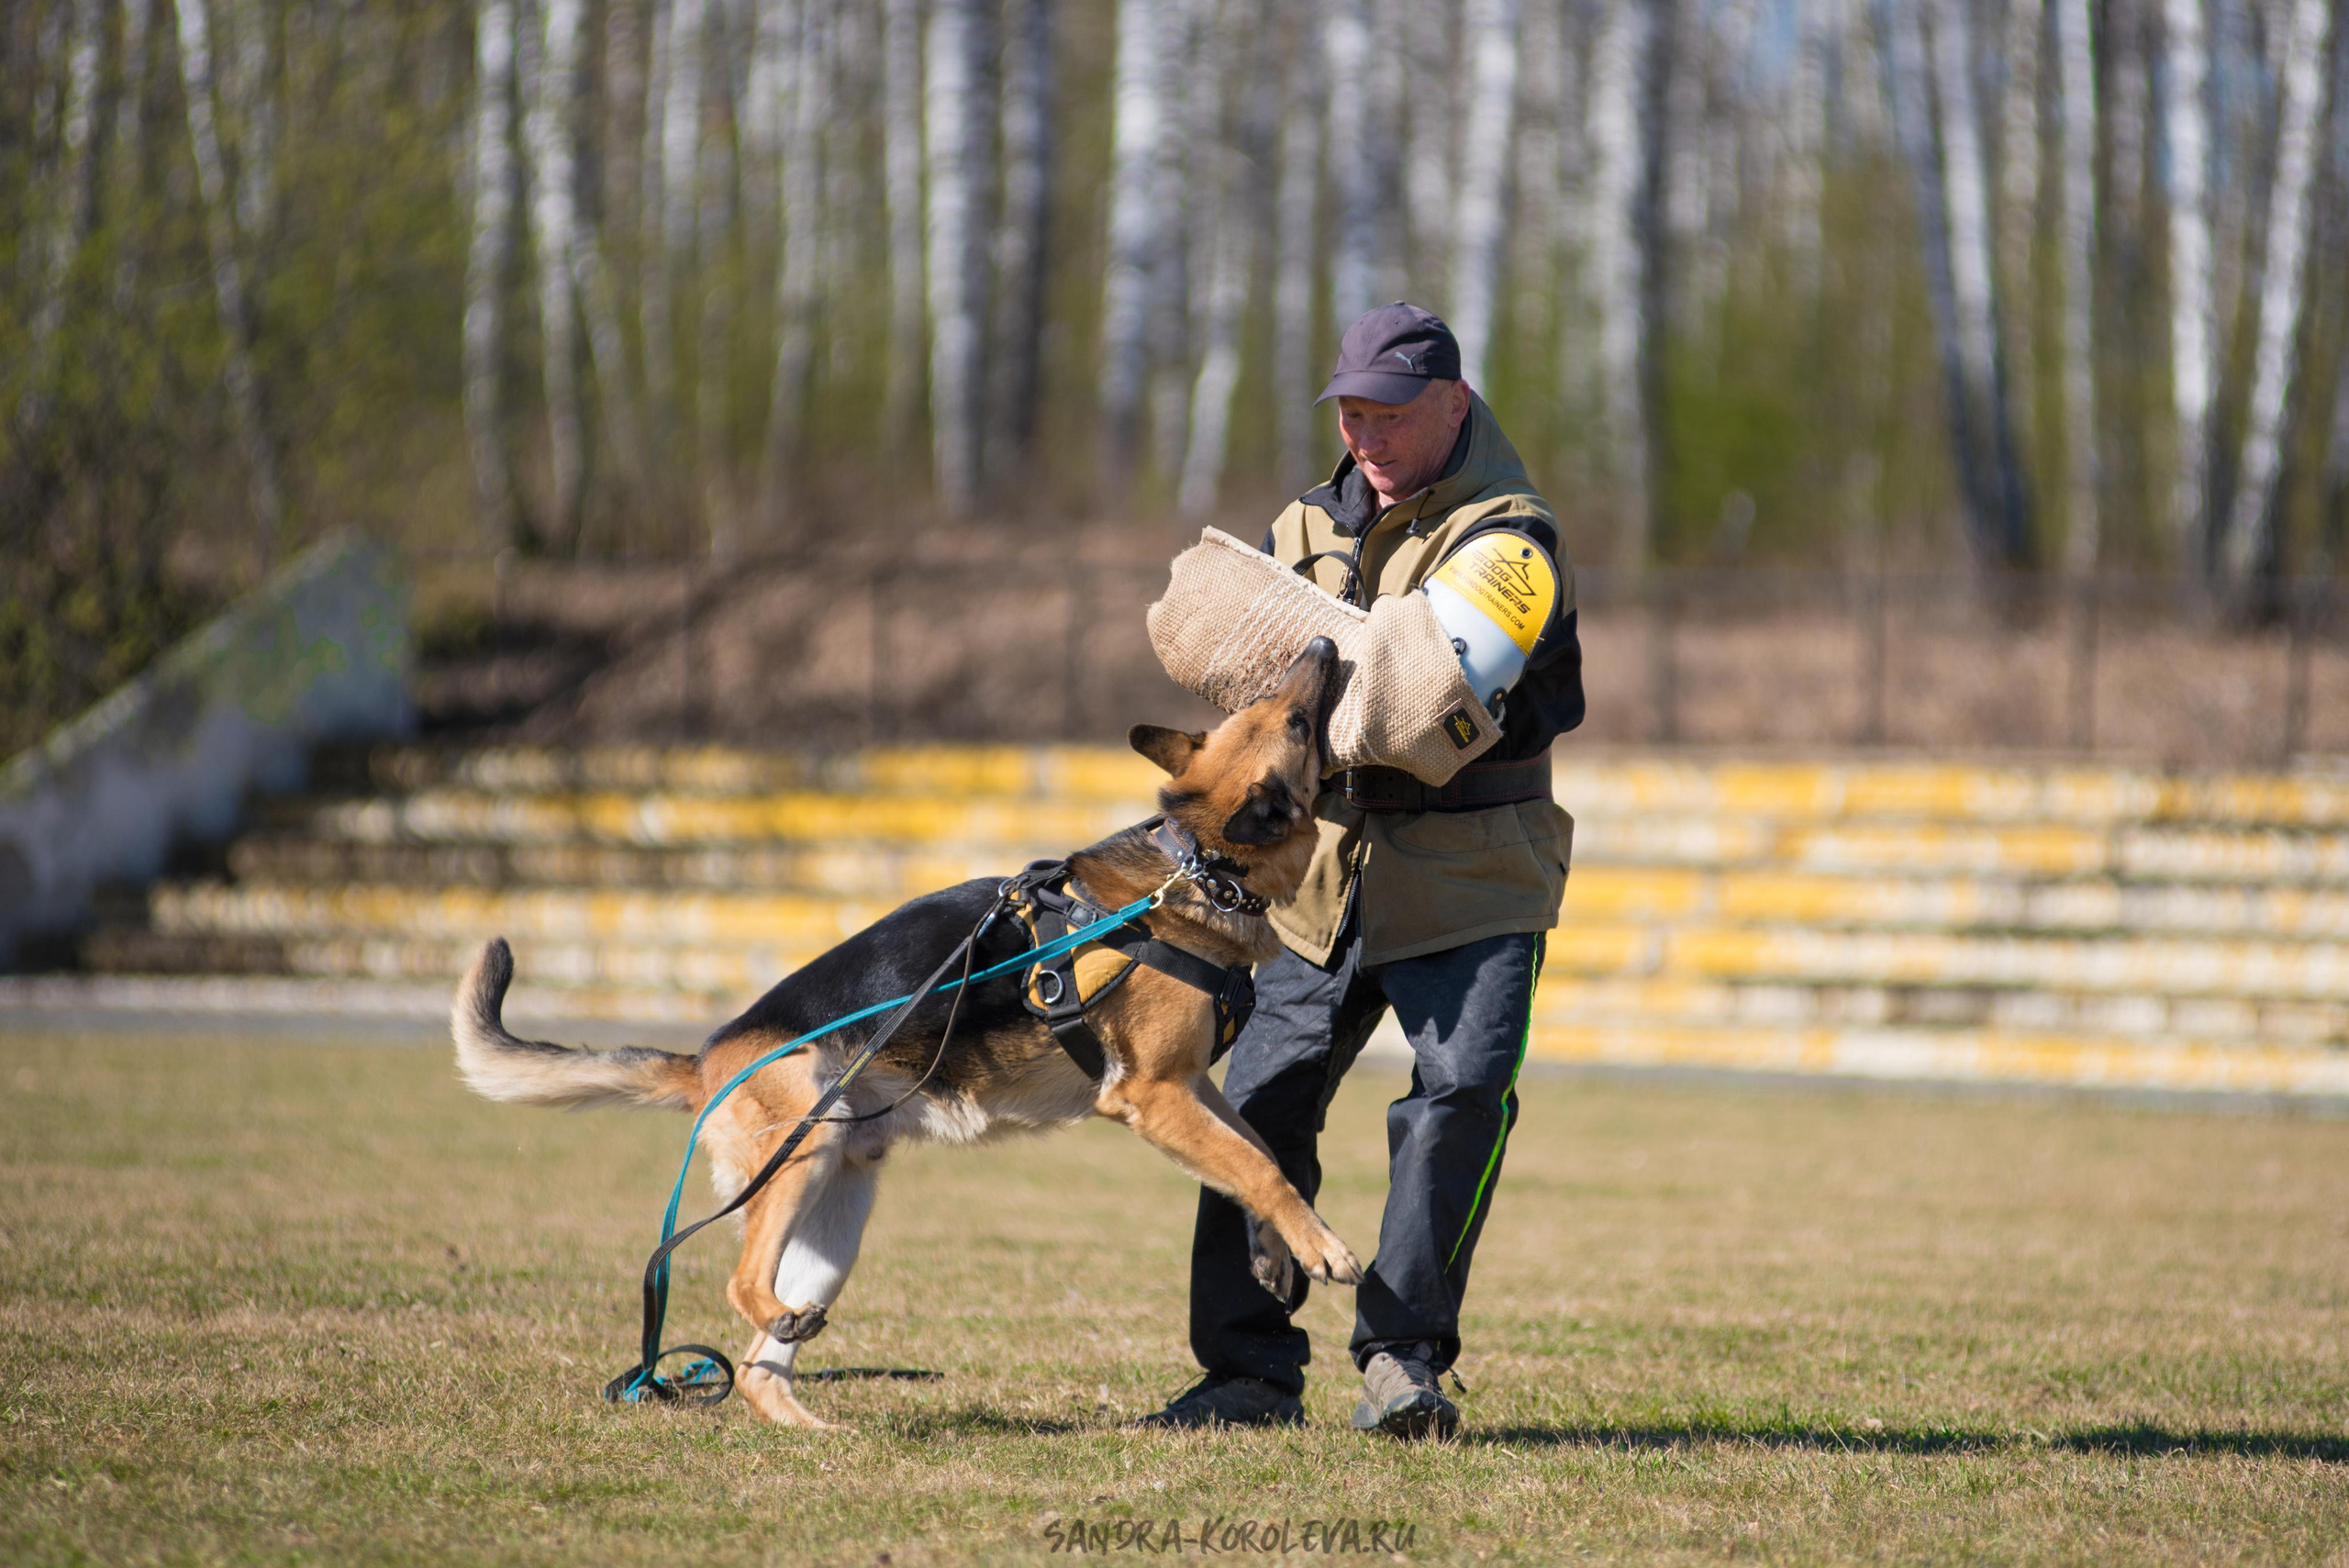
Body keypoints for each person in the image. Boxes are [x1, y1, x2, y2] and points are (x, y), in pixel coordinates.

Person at [1141, 303, 1584, 1440]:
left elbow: (1417, 709)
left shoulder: (1512, 539)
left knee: (1458, 1100)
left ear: (1454, 403)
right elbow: (1227, 666)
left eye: (1390, 413)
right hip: (1317, 874)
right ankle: (1245, 1372)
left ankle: (1402, 1360)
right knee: (1257, 1104)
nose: (1366, 435)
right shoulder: (1306, 519)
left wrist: (1316, 665)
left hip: (1476, 870)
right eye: (1350, 412)